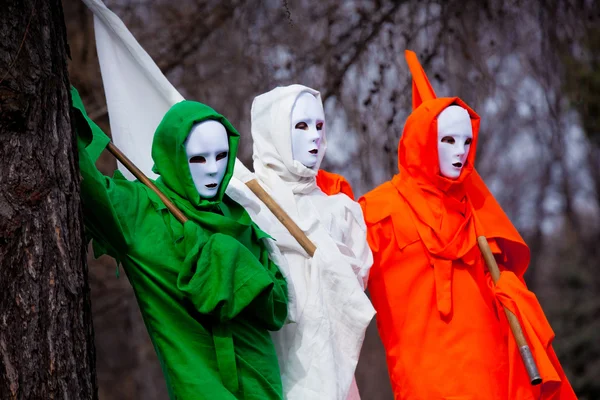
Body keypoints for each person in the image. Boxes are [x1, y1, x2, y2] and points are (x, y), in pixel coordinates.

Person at [358, 51, 577, 400]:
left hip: (486, 369)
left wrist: (509, 290)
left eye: (467, 141)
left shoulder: (479, 214)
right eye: (447, 139)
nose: (460, 152)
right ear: (422, 140)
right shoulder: (375, 210)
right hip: (421, 372)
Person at [72, 87, 289, 400]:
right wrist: (65, 103)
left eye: (221, 156)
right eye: (198, 158)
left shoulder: (240, 218)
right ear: (174, 155)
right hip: (198, 384)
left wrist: (236, 263)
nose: (213, 169)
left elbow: (278, 308)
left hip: (262, 381)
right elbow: (87, 183)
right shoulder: (141, 212)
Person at [226, 84, 375, 400]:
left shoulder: (341, 212)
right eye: (301, 126)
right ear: (273, 131)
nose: (314, 137)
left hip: (337, 378)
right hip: (274, 374)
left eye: (319, 126)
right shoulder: (247, 204)